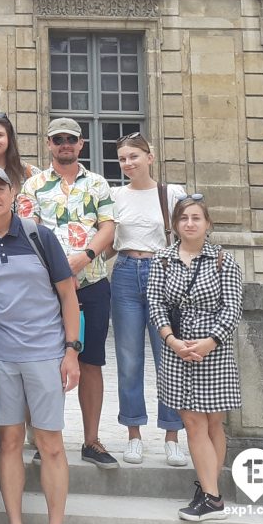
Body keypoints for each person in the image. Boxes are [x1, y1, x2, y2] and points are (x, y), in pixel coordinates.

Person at [0, 166, 80, 524]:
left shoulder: (39, 236)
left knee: (50, 442)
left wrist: (71, 350)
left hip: (46, 354)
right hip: (2, 359)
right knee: (10, 441)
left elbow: (68, 295)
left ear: (12, 191)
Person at [19, 118, 117, 469]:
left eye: (70, 139)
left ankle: (91, 441)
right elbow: (29, 233)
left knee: (90, 363)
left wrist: (84, 257)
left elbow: (108, 226)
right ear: (48, 144)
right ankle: (44, 440)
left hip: (91, 283)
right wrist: (60, 271)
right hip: (48, 288)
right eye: (58, 139)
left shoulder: (98, 184)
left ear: (81, 144)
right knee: (44, 362)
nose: (64, 144)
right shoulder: (32, 186)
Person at [147, 195, 243, 522]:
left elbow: (232, 308)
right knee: (192, 421)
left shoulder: (223, 261)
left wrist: (209, 342)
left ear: (208, 223)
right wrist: (171, 340)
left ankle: (209, 494)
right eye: (184, 218)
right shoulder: (162, 259)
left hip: (212, 351)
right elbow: (155, 304)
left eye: (196, 218)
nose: (190, 223)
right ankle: (211, 494)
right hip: (177, 349)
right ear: (175, 225)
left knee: (213, 421)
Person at [110, 133, 188, 466]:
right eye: (123, 159)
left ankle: (172, 436)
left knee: (167, 358)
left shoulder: (171, 194)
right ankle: (133, 435)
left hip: (163, 272)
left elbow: (190, 233)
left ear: (150, 157)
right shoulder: (114, 195)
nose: (128, 163)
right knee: (128, 361)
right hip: (126, 271)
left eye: (134, 157)